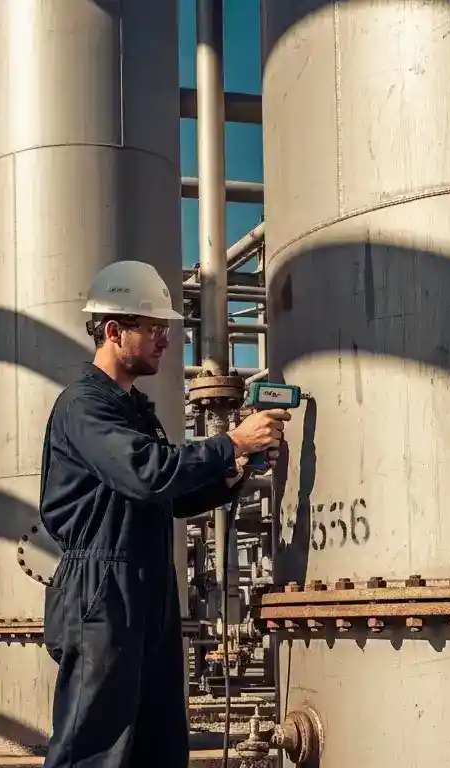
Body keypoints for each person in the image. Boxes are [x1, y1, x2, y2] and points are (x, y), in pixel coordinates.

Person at [39, 260, 290, 768]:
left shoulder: (133, 408)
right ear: (114, 331)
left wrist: (232, 468)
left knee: (157, 742)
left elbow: (168, 494)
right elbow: (146, 473)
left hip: (146, 584)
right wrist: (230, 442)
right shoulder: (85, 406)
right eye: (153, 329)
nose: (165, 340)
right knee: (96, 746)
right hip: (102, 589)